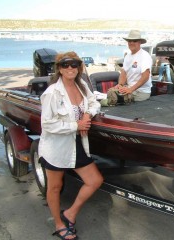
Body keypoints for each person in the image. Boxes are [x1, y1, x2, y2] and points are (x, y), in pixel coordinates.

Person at [38, 51, 103, 240]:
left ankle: (70, 213)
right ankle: (59, 225)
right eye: (65, 64)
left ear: (79, 67)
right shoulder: (52, 93)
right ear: (59, 68)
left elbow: (93, 102)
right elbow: (47, 124)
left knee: (95, 180)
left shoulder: (81, 85)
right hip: (56, 147)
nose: (70, 68)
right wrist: (76, 125)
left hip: (77, 144)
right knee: (55, 187)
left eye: (74, 64)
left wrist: (87, 114)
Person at [114, 29, 152, 101]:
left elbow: (146, 76)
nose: (131, 43)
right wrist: (120, 85)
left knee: (114, 98)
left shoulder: (145, 56)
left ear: (140, 42)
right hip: (130, 89)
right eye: (129, 41)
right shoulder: (128, 56)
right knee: (112, 92)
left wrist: (131, 89)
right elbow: (124, 72)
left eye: (134, 41)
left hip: (141, 92)